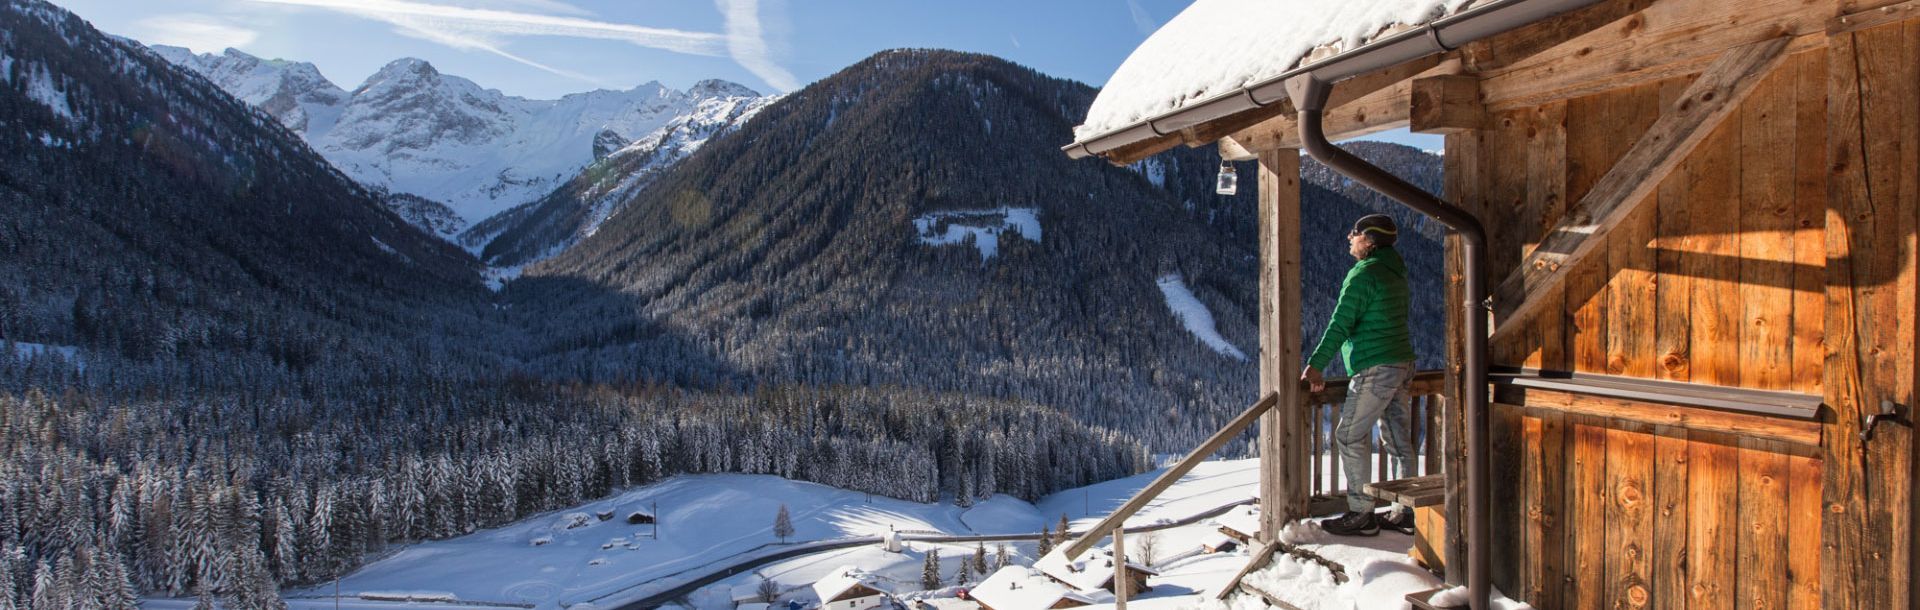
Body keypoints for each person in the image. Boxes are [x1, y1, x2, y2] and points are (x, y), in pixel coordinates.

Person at [1301, 213, 1418, 537]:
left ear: (1369, 239)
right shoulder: (1395, 270)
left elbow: (1341, 323)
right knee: (1396, 437)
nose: (1349, 238)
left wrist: (1316, 364)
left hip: (1375, 366)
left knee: (1349, 435)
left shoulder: (1364, 274)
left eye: (1354, 233)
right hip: (1401, 363)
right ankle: (1406, 512)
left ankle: (1361, 512)